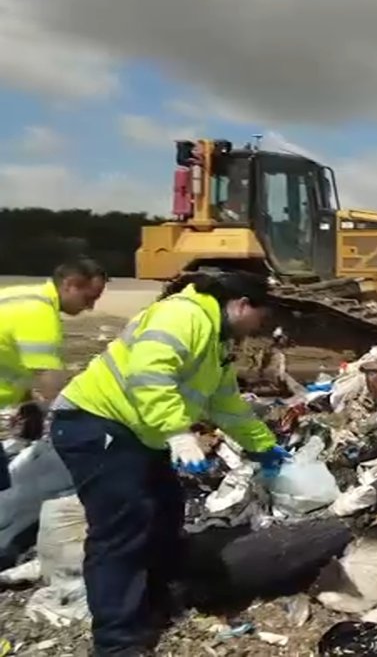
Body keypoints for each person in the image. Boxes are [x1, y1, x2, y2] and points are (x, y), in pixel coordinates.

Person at [49, 271, 291, 656]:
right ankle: (117, 643)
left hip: (138, 432)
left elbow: (226, 403)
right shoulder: (183, 315)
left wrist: (262, 445)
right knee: (122, 532)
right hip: (96, 425)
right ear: (242, 305)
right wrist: (177, 433)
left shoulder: (215, 341)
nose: (260, 329)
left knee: (164, 514)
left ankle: (155, 604)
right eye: (260, 319)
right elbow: (149, 373)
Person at [0, 258, 108, 489]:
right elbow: (48, 377)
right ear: (70, 285)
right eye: (89, 298)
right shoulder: (39, 313)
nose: (90, 307)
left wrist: (28, 402)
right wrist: (72, 421)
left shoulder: (20, 295)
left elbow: (11, 355)